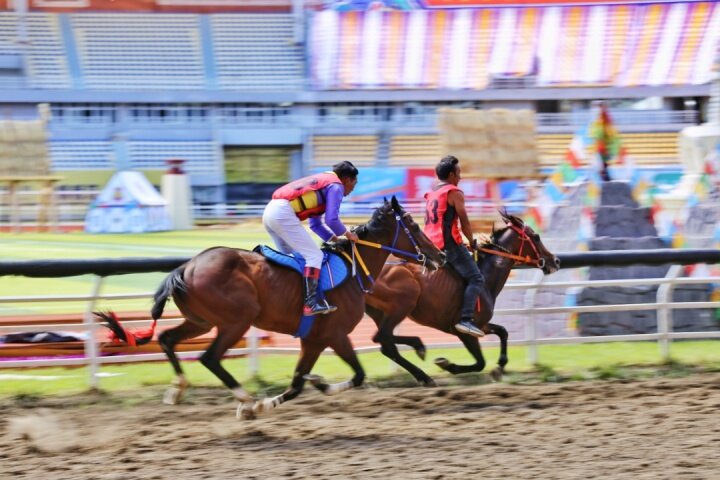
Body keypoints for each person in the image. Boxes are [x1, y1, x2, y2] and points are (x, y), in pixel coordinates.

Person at [263, 161, 360, 316]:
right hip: (282, 214)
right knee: (315, 256)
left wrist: (334, 239)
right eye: (353, 185)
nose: (351, 190)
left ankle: (288, 299)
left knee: (295, 259)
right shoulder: (336, 186)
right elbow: (332, 220)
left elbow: (315, 224)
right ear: (347, 179)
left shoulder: (324, 183)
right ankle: (310, 304)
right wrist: (348, 234)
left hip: (270, 212)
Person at [423, 155, 487, 337]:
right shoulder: (454, 193)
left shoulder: (432, 194)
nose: (460, 177)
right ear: (451, 175)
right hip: (449, 246)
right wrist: (472, 242)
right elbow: (464, 222)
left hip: (430, 246)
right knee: (476, 278)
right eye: (459, 173)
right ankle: (465, 319)